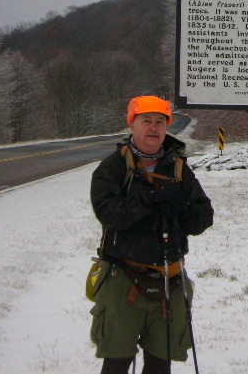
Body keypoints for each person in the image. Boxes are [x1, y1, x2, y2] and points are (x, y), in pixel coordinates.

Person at [89, 95, 213, 374]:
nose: (154, 128)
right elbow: (109, 214)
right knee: (116, 362)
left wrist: (181, 208)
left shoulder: (179, 168)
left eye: (160, 122)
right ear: (132, 124)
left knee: (160, 364)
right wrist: (151, 200)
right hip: (122, 278)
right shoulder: (113, 167)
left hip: (170, 277)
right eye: (146, 121)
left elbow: (203, 219)